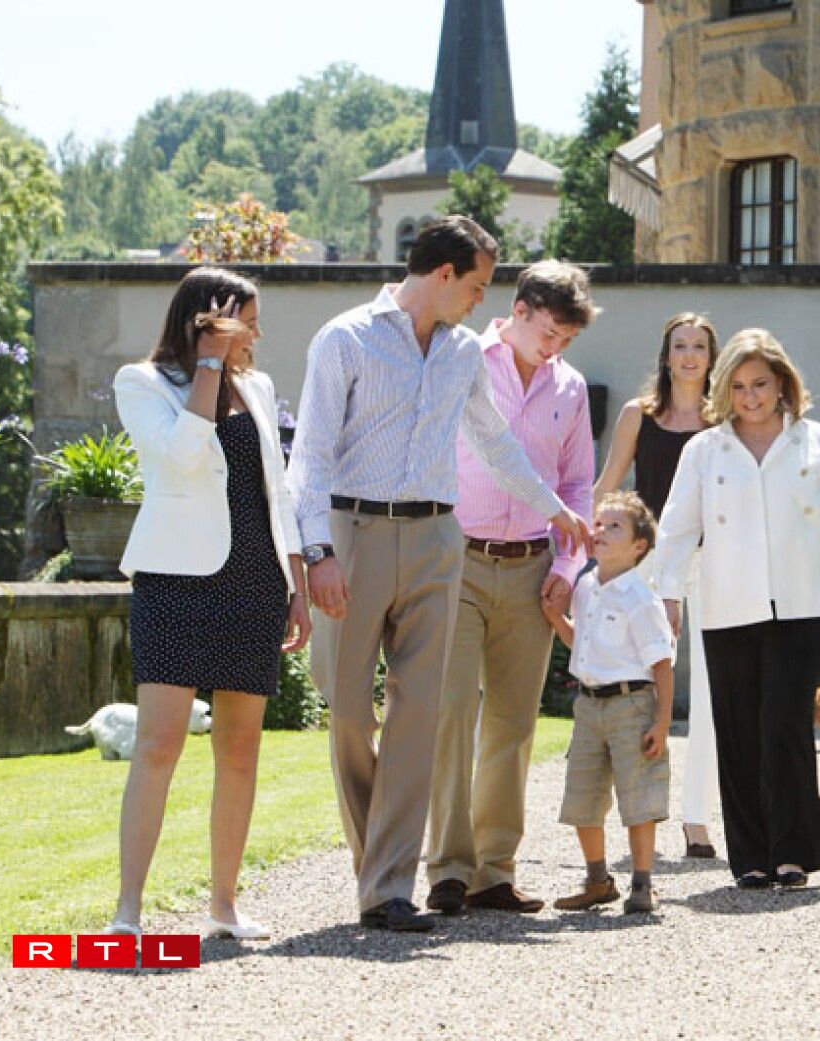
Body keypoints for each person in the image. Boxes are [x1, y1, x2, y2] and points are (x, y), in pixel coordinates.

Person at [287, 217, 588, 932]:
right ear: (444, 274)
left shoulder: (460, 354)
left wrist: (555, 511)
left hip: (434, 538)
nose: (483, 303)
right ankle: (377, 867)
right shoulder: (344, 338)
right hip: (353, 533)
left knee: (418, 717)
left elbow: (496, 443)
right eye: (479, 285)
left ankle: (389, 885)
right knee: (351, 712)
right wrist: (318, 554)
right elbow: (312, 459)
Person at [109, 267, 311, 938]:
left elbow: (276, 494)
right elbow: (180, 461)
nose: (258, 333)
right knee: (159, 744)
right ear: (207, 321)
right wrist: (206, 368)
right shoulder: (141, 383)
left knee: (241, 748)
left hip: (254, 580)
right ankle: (127, 914)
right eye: (246, 320)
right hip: (174, 582)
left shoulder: (258, 387)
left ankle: (224, 906)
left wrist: (297, 586)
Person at [652, 329, 820, 889]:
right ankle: (750, 857)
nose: (750, 396)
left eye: (760, 383)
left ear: (782, 383)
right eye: (738, 386)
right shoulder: (704, 451)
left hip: (806, 604)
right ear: (724, 390)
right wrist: (667, 595)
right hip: (729, 605)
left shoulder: (818, 440)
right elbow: (679, 528)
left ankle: (793, 851)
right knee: (738, 729)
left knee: (783, 723)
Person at [424, 260, 597, 916]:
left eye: (565, 340)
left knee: (513, 721)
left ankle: (494, 870)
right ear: (519, 309)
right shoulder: (464, 358)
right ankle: (446, 867)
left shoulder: (571, 387)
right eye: (549, 331)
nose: (554, 347)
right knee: (450, 710)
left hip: (532, 568)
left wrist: (563, 571)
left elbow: (578, 483)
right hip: (458, 556)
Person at [591, 312, 720, 860]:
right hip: (647, 566)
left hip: (714, 562)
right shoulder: (637, 415)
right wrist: (589, 558)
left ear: (712, 357)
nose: (689, 355)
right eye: (680, 346)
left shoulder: (726, 419)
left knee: (713, 696)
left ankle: (698, 820)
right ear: (666, 356)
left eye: (699, 347)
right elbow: (607, 487)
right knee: (638, 692)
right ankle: (641, 813)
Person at [545, 491, 675, 915]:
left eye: (613, 525)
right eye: (598, 523)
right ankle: (597, 880)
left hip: (630, 707)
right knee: (582, 793)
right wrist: (554, 620)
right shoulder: (584, 586)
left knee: (637, 794)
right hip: (588, 706)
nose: (600, 530)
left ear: (639, 547)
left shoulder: (640, 598)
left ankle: (642, 882)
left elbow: (661, 666)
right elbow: (578, 641)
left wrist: (661, 722)